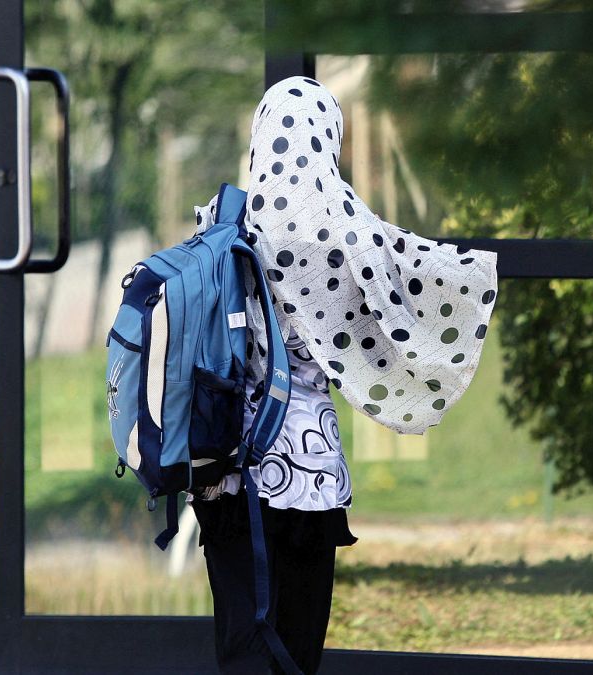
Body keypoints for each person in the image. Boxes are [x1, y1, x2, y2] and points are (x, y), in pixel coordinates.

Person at [188, 76, 499, 675]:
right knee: (297, 647)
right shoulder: (339, 225)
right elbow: (401, 281)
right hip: (307, 477)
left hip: (224, 471)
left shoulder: (220, 221)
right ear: (324, 139)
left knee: (242, 648)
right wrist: (476, 274)